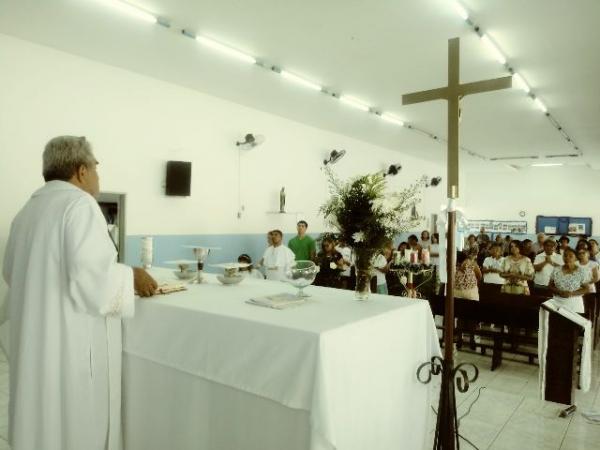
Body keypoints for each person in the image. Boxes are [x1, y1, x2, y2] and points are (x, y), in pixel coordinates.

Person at [2, 136, 157, 450]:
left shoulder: (26, 212)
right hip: (67, 346)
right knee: (71, 423)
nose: (99, 176)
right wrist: (131, 276)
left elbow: (11, 272)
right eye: (97, 168)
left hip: (35, 344)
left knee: (40, 422)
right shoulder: (79, 204)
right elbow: (93, 280)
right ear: (82, 171)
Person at [549, 248, 590, 313]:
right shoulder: (556, 270)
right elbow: (550, 286)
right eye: (565, 256)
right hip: (557, 302)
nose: (567, 258)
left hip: (574, 303)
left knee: (572, 322)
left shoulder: (581, 271)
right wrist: (560, 292)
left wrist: (571, 293)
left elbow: (587, 289)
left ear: (576, 258)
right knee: (556, 321)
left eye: (570, 256)